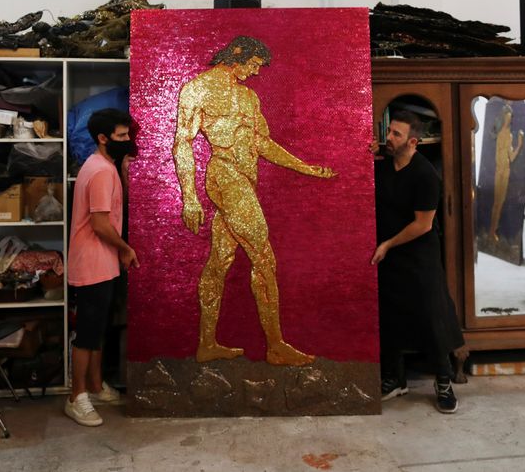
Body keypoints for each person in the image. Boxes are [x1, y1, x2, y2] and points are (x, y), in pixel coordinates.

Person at [173, 35, 336, 366]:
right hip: (226, 176)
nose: (256, 72)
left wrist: (305, 168)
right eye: (254, 65)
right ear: (237, 56)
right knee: (264, 258)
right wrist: (189, 197)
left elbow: (262, 144)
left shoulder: (249, 98)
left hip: (243, 181)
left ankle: (206, 344)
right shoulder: (197, 88)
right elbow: (182, 143)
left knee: (219, 261)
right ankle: (275, 346)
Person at [371, 110, 464, 413]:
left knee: (431, 315)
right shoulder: (384, 167)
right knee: (391, 315)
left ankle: (444, 381)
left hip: (418, 254)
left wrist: (387, 243)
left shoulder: (426, 175)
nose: (388, 138)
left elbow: (423, 225)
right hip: (389, 253)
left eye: (395, 134)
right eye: (389, 132)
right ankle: (396, 379)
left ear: (413, 141)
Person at [65, 109, 139, 427]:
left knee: (98, 331)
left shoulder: (105, 166)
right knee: (87, 334)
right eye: (122, 136)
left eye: (128, 134)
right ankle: (76, 396)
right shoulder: (99, 171)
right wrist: (125, 249)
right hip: (92, 262)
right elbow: (99, 224)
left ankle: (95, 386)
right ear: (103, 138)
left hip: (102, 262)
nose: (128, 140)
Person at [489, 103, 525, 242]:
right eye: (506, 119)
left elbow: (511, 157)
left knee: (501, 202)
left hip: (506, 171)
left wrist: (520, 144)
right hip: (499, 171)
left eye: (510, 119)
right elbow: (492, 131)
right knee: (496, 203)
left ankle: (493, 231)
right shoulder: (498, 133)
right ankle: (492, 231)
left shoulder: (509, 135)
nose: (508, 122)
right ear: (503, 119)